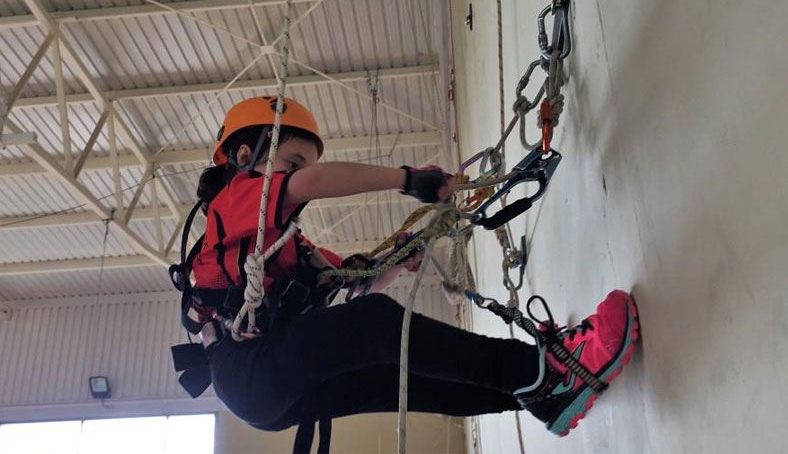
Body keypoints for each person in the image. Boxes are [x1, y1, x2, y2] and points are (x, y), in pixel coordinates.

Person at [182, 96, 640, 451]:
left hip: (269, 387)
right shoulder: (236, 198)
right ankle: (547, 372)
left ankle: (542, 395)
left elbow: (358, 285)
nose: (297, 178)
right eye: (291, 162)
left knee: (402, 375)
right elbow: (313, 185)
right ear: (245, 155)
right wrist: (406, 179)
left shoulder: (290, 250)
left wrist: (398, 261)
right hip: (248, 371)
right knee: (375, 323)